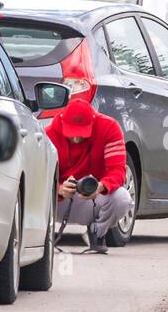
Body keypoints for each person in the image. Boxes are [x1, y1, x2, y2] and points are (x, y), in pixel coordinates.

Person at [45, 98, 132, 253]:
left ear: (93, 123)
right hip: (58, 201)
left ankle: (97, 232)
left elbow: (118, 170)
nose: (77, 138)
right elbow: (40, 177)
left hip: (92, 199)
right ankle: (43, 236)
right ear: (63, 123)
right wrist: (58, 189)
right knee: (38, 193)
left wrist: (101, 186)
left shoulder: (109, 128)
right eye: (72, 133)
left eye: (81, 133)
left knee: (122, 198)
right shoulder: (50, 134)